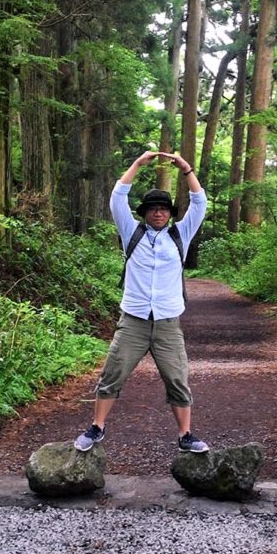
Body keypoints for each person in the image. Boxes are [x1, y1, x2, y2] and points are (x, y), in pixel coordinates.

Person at [74, 150, 210, 454]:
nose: (158, 213)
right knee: (113, 373)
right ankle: (97, 427)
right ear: (144, 213)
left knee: (177, 378)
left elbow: (200, 204)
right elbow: (116, 199)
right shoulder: (130, 232)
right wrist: (137, 164)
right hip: (133, 320)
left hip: (167, 322)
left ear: (170, 213)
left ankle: (185, 435)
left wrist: (186, 169)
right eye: (152, 209)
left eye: (163, 209)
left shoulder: (180, 235)